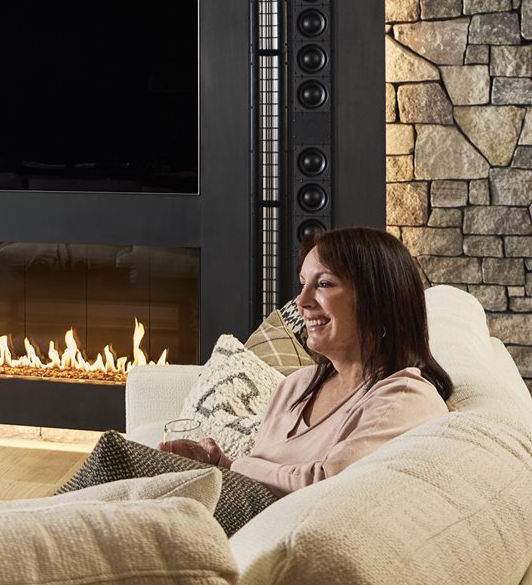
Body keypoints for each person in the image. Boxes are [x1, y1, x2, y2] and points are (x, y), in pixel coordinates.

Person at [61, 227, 453, 533]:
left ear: (379, 299)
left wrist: (237, 468)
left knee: (119, 456)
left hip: (275, 524)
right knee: (107, 503)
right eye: (303, 283)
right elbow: (266, 472)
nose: (301, 302)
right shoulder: (297, 385)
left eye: (325, 284)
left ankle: (11, 534)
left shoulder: (404, 395)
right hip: (241, 502)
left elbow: (328, 483)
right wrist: (220, 463)